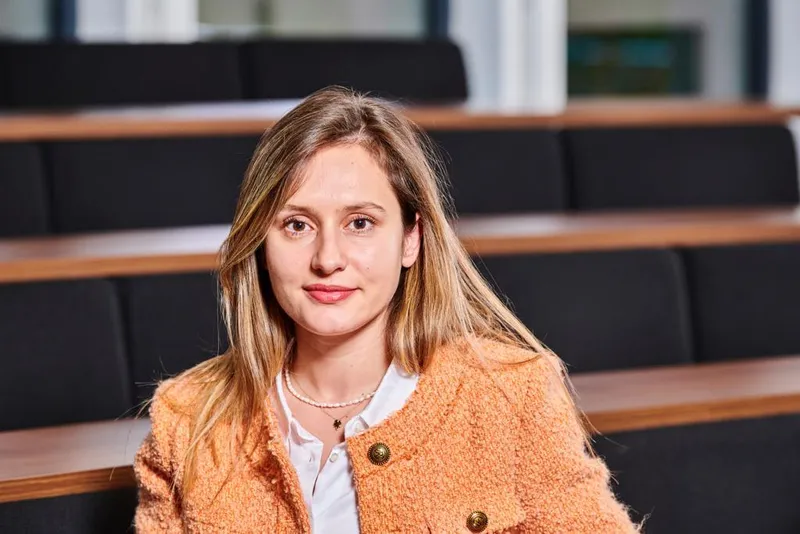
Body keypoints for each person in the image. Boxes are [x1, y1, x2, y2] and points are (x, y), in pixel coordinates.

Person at [133, 86, 641, 533]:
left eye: (360, 223)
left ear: (410, 240)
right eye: (296, 225)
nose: (327, 259)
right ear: (259, 245)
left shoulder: (510, 395)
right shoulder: (188, 417)